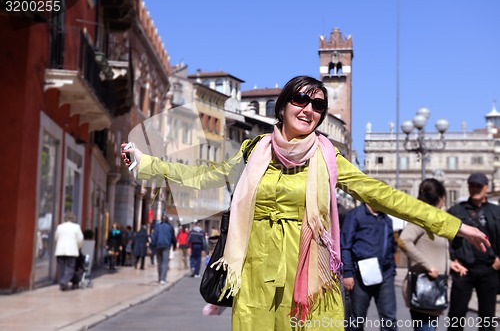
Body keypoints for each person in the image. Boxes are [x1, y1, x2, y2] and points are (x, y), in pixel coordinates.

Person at [122, 75, 490, 331]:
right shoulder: (254, 151)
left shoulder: (328, 158)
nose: (309, 108)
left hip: (312, 278)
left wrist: (454, 225)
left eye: (318, 105)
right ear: (282, 107)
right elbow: (207, 176)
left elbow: (384, 195)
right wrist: (148, 162)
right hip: (256, 274)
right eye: (301, 100)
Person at [399, 179, 468, 331]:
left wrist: (449, 263)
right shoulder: (422, 218)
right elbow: (403, 241)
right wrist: (428, 265)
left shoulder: (433, 219)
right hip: (424, 287)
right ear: (440, 198)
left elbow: (431, 249)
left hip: (434, 288)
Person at [446, 173, 500, 331]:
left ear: (486, 188)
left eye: (479, 186)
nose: (475, 189)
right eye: (472, 186)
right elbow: (443, 238)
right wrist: (451, 260)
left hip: (489, 269)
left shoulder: (496, 212)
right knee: (456, 314)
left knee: (487, 316)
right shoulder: (456, 211)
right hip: (463, 269)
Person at [341, 203, 398, 330]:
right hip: (361, 273)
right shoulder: (355, 216)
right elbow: (345, 246)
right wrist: (347, 273)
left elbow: (391, 246)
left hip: (385, 274)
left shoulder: (386, 219)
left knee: (389, 320)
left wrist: (392, 271)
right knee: (357, 321)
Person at [54, 212, 84, 291]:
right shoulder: (76, 227)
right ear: (73, 219)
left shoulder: (60, 227)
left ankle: (61, 283)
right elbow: (80, 239)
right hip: (72, 250)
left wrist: (59, 244)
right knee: (71, 267)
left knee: (61, 267)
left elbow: (56, 237)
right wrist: (78, 247)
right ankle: (64, 281)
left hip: (60, 250)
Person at [151, 215, 177, 285]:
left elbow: (154, 236)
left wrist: (153, 245)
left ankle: (160, 278)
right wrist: (174, 245)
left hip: (158, 246)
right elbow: (173, 238)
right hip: (166, 246)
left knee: (159, 262)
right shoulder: (170, 227)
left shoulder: (157, 227)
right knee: (165, 263)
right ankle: (163, 279)